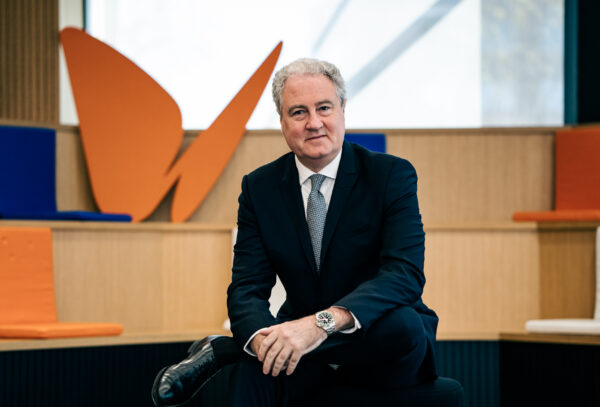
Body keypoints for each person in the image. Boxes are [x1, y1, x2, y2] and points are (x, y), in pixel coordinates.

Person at [151, 58, 438, 407]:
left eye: (324, 108)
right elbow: (246, 288)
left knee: (404, 325)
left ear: (343, 109)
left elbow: (404, 275)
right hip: (299, 349)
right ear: (282, 121)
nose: (314, 123)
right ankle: (249, 350)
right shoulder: (260, 188)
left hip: (378, 342)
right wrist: (260, 339)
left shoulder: (390, 175)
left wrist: (319, 325)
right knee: (257, 366)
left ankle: (226, 350)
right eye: (299, 112)